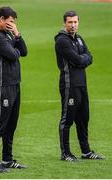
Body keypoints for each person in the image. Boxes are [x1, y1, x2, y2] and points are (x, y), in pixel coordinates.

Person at [54, 11, 104, 162]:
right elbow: (78, 59)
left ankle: (86, 151)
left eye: (75, 22)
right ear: (64, 23)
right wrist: (83, 59)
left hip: (82, 84)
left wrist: (82, 59)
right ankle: (66, 153)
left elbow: (89, 57)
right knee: (67, 119)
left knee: (83, 118)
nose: (73, 25)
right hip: (69, 85)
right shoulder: (62, 41)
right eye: (70, 22)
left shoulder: (79, 39)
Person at [0, 6, 28, 172]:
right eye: (10, 22)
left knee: (11, 124)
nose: (12, 25)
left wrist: (17, 34)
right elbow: (12, 55)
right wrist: (14, 48)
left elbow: (23, 52)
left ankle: (7, 159)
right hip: (2, 85)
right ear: (1, 19)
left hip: (15, 84)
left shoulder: (9, 33)